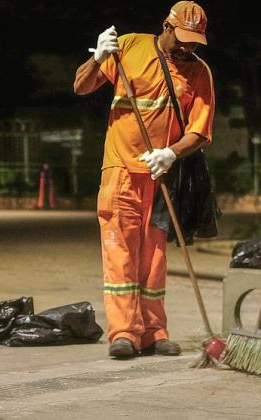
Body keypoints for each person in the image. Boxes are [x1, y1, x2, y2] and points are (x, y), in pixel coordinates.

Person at [73, 1, 215, 358]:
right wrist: (97, 56)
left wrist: (171, 153)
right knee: (120, 253)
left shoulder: (199, 73)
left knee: (154, 258)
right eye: (183, 39)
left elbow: (199, 131)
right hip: (120, 171)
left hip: (162, 175)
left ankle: (154, 331)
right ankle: (124, 333)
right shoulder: (129, 48)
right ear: (166, 27)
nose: (188, 48)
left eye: (195, 42)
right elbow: (81, 86)